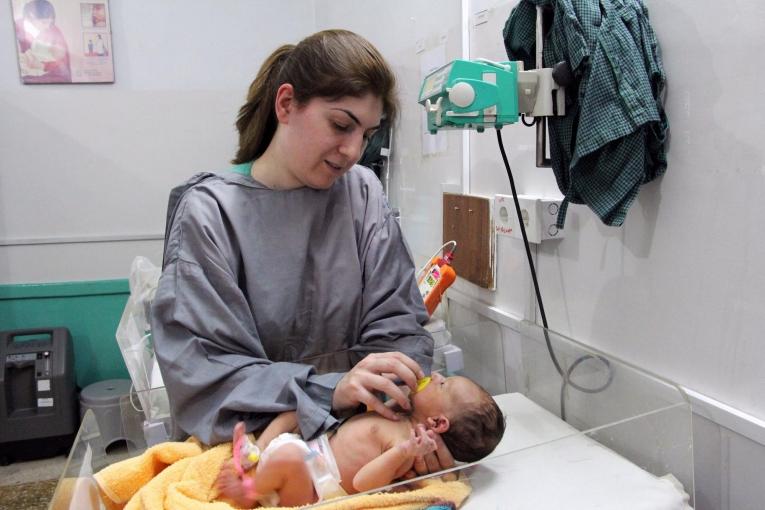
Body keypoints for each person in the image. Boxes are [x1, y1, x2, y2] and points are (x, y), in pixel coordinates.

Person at [151, 28, 451, 474]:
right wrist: (329, 391)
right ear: (287, 104)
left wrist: (382, 394)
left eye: (367, 134)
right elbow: (207, 373)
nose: (353, 151)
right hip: (250, 459)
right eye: (340, 125)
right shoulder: (211, 212)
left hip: (356, 447)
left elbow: (399, 327)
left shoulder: (362, 193)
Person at [215, 372, 506, 508]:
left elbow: (364, 484)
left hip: (315, 484)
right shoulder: (401, 414)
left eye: (443, 384)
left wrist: (403, 451)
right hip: (312, 455)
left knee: (290, 455)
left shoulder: (406, 444)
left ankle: (250, 492)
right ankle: (255, 454)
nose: (435, 374)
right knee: (294, 415)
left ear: (438, 422)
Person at [14, 0, 72, 83]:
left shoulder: (53, 30)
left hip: (52, 79)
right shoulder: (14, 29)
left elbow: (63, 69)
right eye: (44, 22)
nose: (47, 27)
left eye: (50, 22)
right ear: (30, 17)